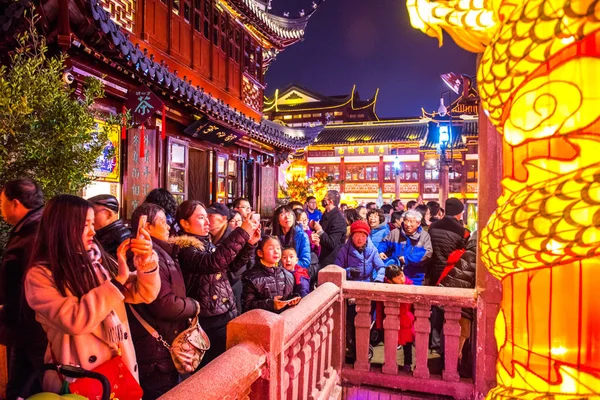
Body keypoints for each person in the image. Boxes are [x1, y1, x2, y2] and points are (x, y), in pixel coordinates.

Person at [24, 194, 160, 393]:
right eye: (85, 224)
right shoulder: (40, 275)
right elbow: (74, 320)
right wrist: (117, 282)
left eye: (92, 223)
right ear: (63, 227)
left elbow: (143, 294)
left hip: (119, 368)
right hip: (79, 379)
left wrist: (146, 260)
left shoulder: (97, 259)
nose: (92, 231)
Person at [174, 200, 260, 367]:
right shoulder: (186, 249)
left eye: (207, 217)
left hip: (223, 313)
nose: (207, 222)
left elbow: (229, 267)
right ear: (184, 223)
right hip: (207, 320)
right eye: (200, 218)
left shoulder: (206, 243)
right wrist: (242, 232)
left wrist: (249, 245)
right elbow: (214, 262)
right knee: (214, 369)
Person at [127, 203, 200, 398]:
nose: (169, 226)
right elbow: (163, 304)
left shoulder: (165, 252)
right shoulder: (147, 257)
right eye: (163, 222)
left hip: (165, 346)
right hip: (155, 353)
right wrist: (194, 306)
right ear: (147, 227)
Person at [0, 178, 47, 398]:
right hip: (27, 326)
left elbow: (29, 285)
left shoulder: (33, 233)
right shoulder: (32, 227)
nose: (1, 208)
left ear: (15, 203)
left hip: (30, 327)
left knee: (23, 387)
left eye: (2, 202)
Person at [427, 198, 470, 354]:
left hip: (433, 271)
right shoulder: (463, 232)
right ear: (459, 213)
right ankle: (448, 345)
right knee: (450, 309)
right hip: (451, 273)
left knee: (435, 308)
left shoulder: (433, 226)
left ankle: (434, 342)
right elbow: (463, 254)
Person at [242, 236, 300, 313]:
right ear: (260, 253)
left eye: (278, 248)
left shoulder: (288, 275)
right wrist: (271, 305)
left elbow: (288, 296)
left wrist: (294, 299)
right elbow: (247, 306)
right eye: (271, 249)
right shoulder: (251, 278)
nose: (276, 251)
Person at [374, 265, 415, 372]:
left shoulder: (409, 284)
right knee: (390, 343)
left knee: (408, 344)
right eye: (398, 278)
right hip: (390, 320)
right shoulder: (385, 288)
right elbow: (379, 308)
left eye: (402, 275)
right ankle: (390, 362)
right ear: (390, 280)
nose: (402, 279)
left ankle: (407, 364)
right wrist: (379, 324)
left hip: (406, 319)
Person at [378, 209, 432, 286]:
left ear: (418, 223)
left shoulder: (424, 236)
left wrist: (407, 259)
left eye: (412, 221)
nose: (408, 224)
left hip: (415, 276)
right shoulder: (395, 233)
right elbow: (384, 243)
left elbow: (427, 253)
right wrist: (381, 251)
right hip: (396, 275)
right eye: (406, 221)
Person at [310, 190, 347, 269]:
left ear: (330, 201)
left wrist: (320, 231)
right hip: (321, 257)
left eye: (325, 199)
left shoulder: (338, 219)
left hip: (332, 261)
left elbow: (332, 243)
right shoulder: (326, 214)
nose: (323, 201)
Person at [272, 205, 311, 269]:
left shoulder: (302, 236)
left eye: (289, 214)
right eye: (282, 215)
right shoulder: (274, 237)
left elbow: (305, 261)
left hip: (295, 272)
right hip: (278, 272)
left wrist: (288, 266)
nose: (287, 217)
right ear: (278, 220)